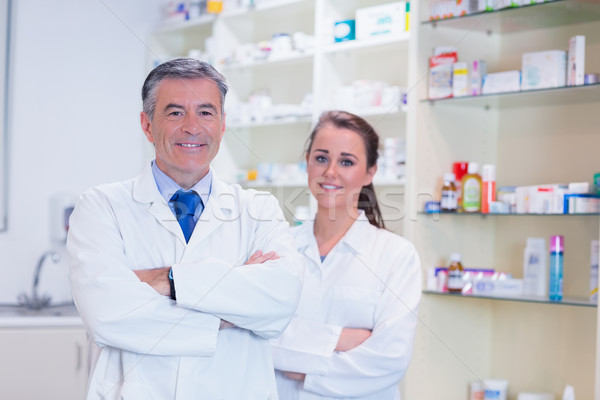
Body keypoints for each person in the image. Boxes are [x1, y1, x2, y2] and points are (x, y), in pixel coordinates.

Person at [67, 58, 304, 400]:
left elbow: (280, 301)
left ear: (222, 125)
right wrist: (232, 311)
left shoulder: (258, 209)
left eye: (206, 113)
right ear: (147, 125)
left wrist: (168, 280)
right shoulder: (101, 207)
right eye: (175, 112)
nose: (193, 127)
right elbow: (107, 316)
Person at [271, 111, 421, 399]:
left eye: (347, 162)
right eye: (321, 158)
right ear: (307, 162)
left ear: (370, 172)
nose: (330, 172)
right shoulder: (277, 246)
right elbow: (252, 337)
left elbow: (389, 361)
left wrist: (301, 367)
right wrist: (343, 339)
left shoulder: (397, 256)